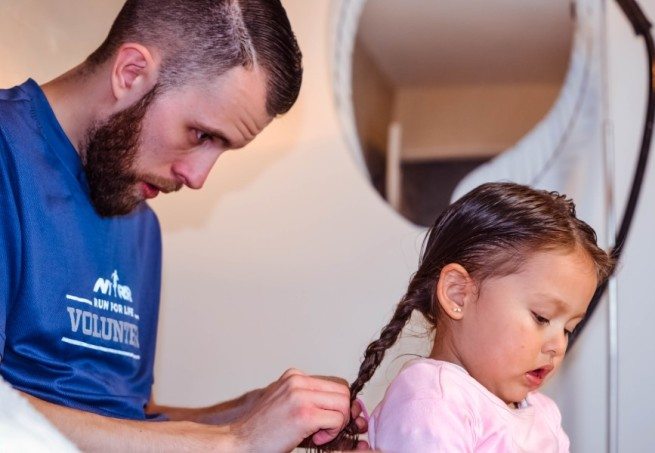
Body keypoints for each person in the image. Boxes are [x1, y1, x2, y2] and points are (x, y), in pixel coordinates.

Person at [0, 0, 366, 450]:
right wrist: (232, 443)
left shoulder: (138, 222)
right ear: (130, 73)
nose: (197, 178)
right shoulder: (6, 155)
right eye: (201, 135)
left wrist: (249, 413)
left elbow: (123, 420)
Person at [325, 182, 614, 451]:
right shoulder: (433, 399)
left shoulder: (542, 412)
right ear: (457, 294)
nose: (558, 346)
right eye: (541, 317)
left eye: (569, 329)